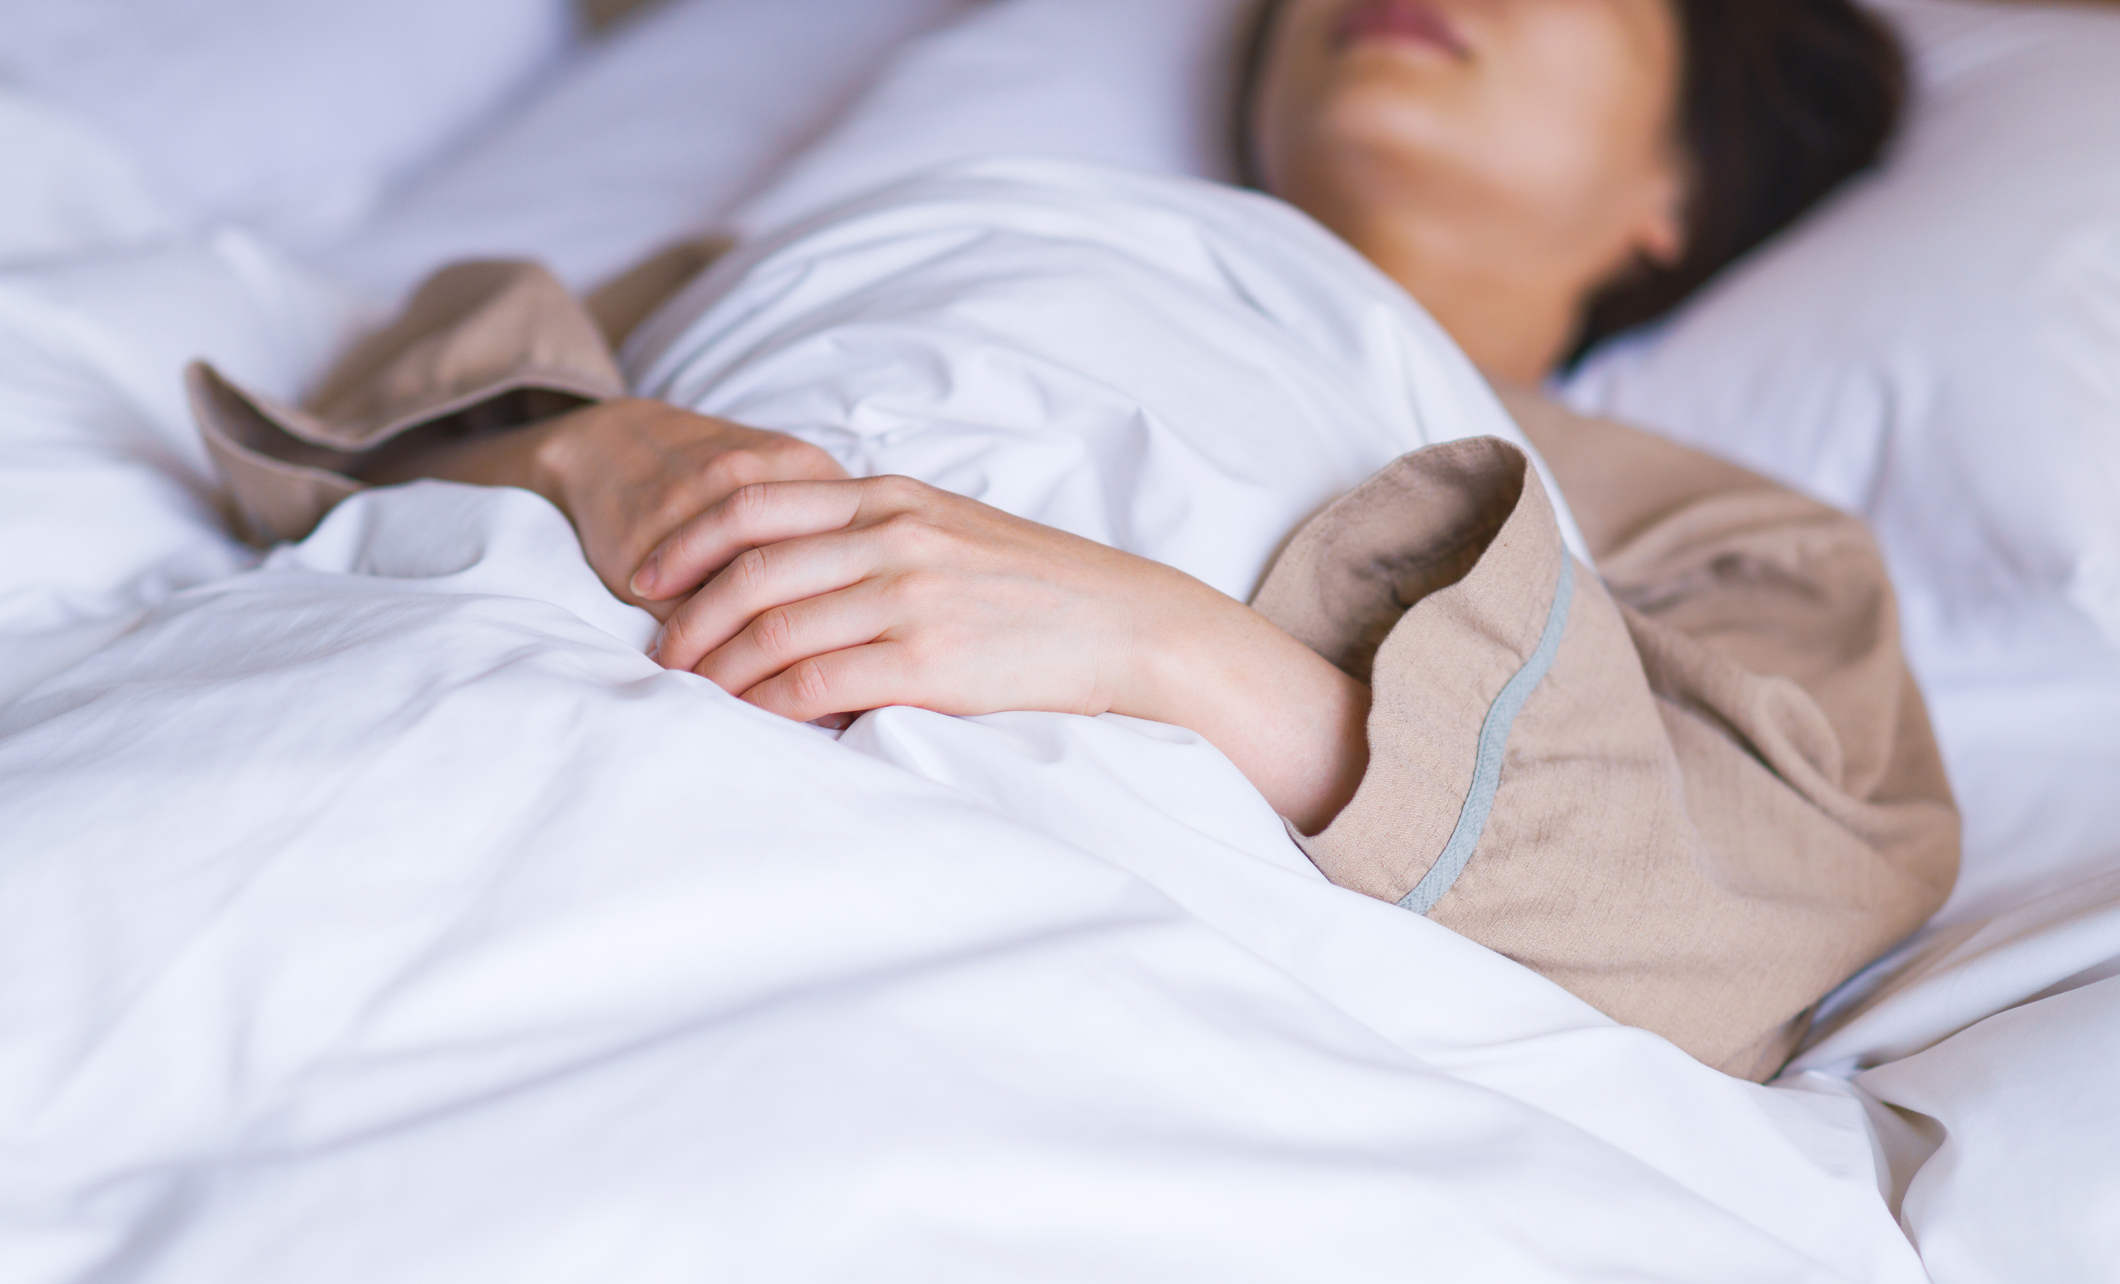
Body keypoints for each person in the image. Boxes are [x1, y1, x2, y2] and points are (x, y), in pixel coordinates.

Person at [184, 0, 1955, 1080]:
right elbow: (405, 424)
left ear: (1674, 199)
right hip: (524, 683)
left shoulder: (1722, 535)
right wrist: (611, 448)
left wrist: (1148, 643)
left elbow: (1755, 900)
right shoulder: (947, 229)